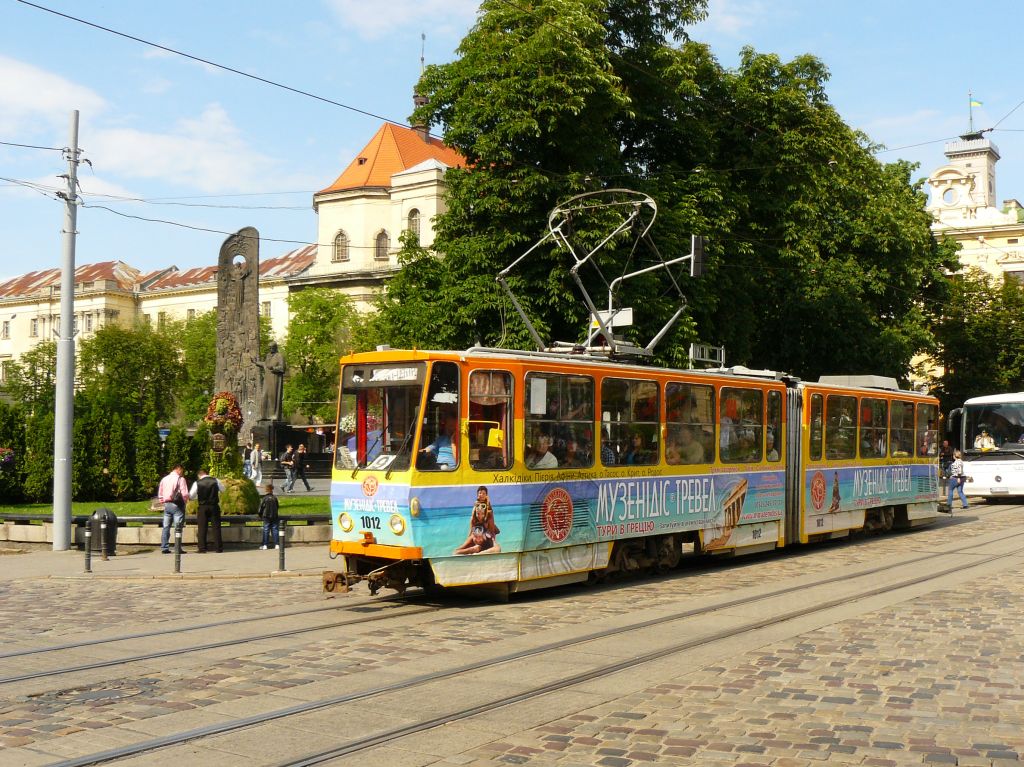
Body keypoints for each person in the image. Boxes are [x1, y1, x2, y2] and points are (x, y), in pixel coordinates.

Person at [190, 469, 225, 553]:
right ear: (207, 473)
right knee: (216, 527)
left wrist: (197, 497)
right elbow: (223, 490)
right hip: (214, 506)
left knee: (202, 527)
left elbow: (191, 496)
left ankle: (202, 548)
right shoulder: (216, 480)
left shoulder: (197, 483)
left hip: (202, 506)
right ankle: (218, 548)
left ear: (199, 475)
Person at [157, 464, 189, 554]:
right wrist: (186, 501)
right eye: (182, 470)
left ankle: (164, 547)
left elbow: (160, 492)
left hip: (167, 505)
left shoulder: (164, 479)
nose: (182, 472)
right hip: (177, 505)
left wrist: (162, 501)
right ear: (179, 469)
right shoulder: (180, 479)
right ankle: (177, 548)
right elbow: (184, 493)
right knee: (178, 527)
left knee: (166, 527)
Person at [253, 342, 286, 422]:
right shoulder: (268, 355)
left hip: (274, 380)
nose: (270, 349)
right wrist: (256, 362)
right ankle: (264, 416)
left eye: (271, 348)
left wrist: (273, 368)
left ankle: (273, 416)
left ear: (275, 347)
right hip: (267, 380)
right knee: (264, 397)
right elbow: (265, 364)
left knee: (272, 398)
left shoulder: (279, 356)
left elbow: (282, 368)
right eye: (269, 348)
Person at [258, 481, 280, 549]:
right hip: (274, 515)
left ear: (266, 490)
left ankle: (265, 545)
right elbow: (277, 506)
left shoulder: (264, 498)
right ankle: (277, 544)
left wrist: (260, 514)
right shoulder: (274, 498)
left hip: (266, 516)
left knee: (266, 530)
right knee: (275, 529)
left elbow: (261, 508)